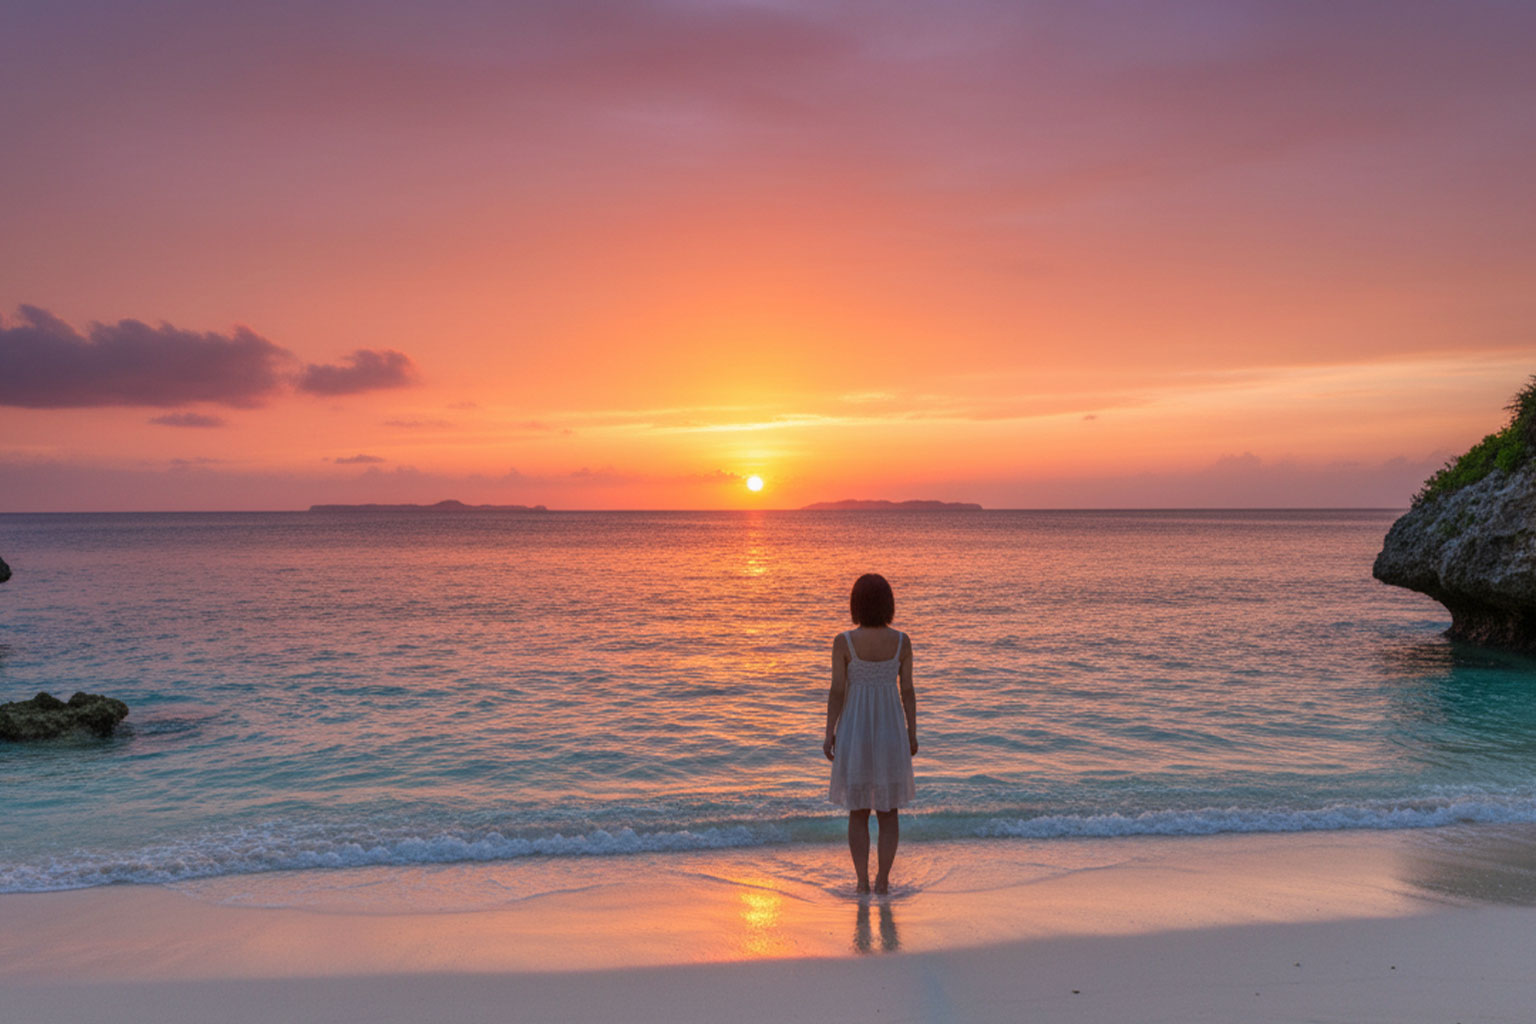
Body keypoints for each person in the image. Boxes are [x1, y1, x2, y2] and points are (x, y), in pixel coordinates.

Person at [823, 573, 917, 894]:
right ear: (888, 604)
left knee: (859, 810)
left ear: (856, 605)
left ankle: (862, 882)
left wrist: (829, 732)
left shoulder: (844, 642)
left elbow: (837, 691)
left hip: (855, 729)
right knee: (889, 812)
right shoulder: (902, 641)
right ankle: (883, 882)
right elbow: (908, 691)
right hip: (891, 729)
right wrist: (912, 732)